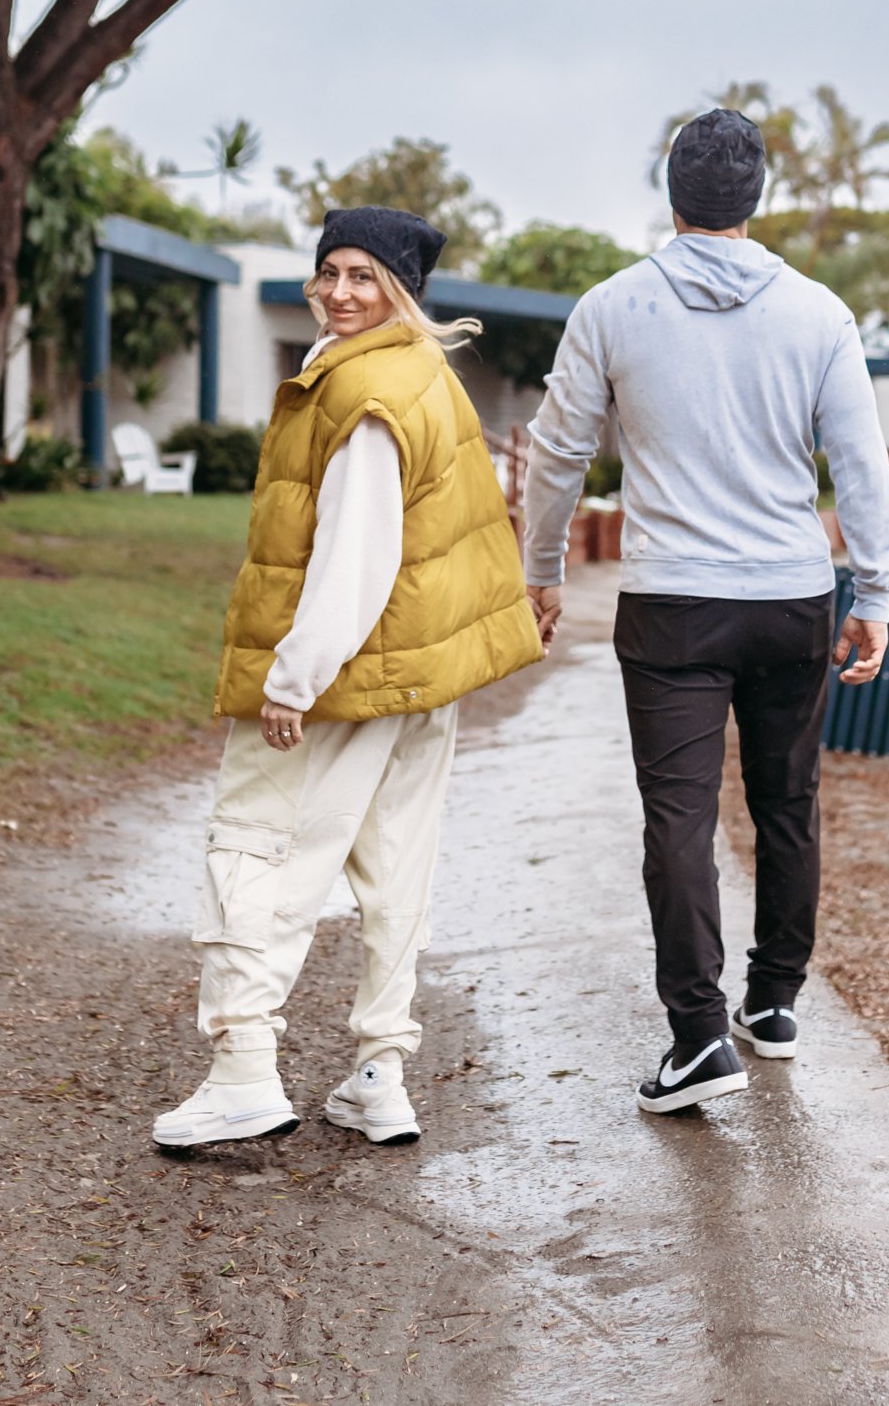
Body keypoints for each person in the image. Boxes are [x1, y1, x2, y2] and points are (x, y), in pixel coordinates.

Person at [520, 109, 889, 1115]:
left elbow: (557, 453)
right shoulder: (820, 314)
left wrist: (541, 568)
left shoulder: (609, 308)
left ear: (669, 189)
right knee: (786, 802)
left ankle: (698, 1036)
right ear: (755, 195)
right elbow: (859, 465)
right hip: (789, 598)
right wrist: (873, 593)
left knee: (680, 818)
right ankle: (769, 1005)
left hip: (673, 604)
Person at [153, 205, 543, 1154]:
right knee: (394, 866)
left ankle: (242, 1071)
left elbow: (355, 560)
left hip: (343, 681)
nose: (338, 290)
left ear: (401, 292)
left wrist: (292, 680)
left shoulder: (366, 393)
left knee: (255, 848)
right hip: (415, 684)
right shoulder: (424, 379)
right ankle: (380, 1073)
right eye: (329, 270)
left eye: (364, 276)